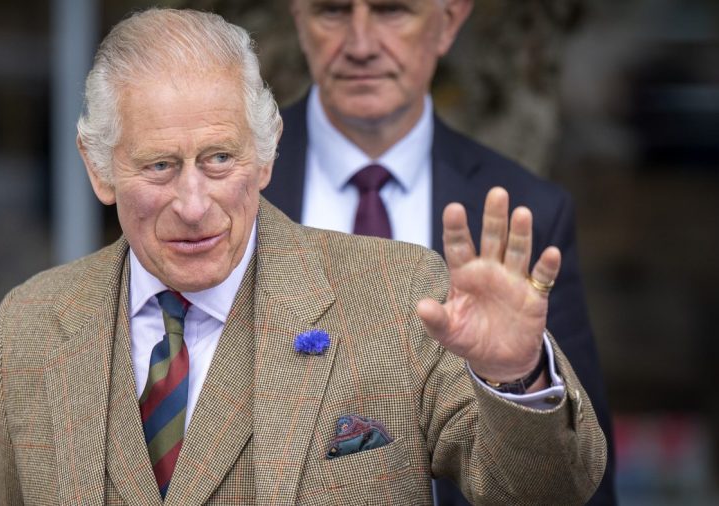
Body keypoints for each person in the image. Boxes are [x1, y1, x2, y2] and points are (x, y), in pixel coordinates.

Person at [0, 8, 605, 505]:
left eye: (219, 159)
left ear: (266, 153)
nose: (194, 203)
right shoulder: (30, 329)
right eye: (159, 167)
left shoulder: (399, 294)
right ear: (99, 168)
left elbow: (542, 492)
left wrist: (515, 380)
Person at [261, 1, 616, 504]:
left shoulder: (529, 212)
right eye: (333, 11)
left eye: (391, 11)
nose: (361, 45)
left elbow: (579, 482)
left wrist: (518, 378)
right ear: (298, 19)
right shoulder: (228, 195)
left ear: (447, 23)